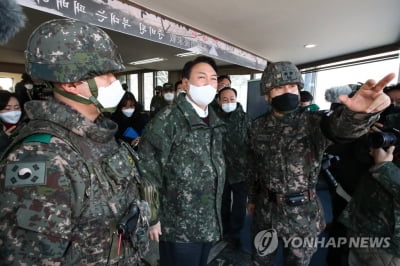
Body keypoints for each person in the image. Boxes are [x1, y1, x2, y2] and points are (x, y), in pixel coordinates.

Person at [0, 19, 151, 265]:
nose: (115, 81)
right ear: (71, 83)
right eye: (105, 74)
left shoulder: (98, 134)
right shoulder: (42, 156)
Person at [246, 61, 394, 266]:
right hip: (266, 210)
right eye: (279, 87)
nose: (287, 91)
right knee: (260, 260)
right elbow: (254, 166)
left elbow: (340, 129)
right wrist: (252, 198)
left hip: (303, 214)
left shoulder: (313, 121)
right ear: (266, 95)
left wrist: (358, 115)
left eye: (292, 87)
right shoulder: (257, 127)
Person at [138, 56, 226, 266]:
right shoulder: (168, 120)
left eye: (213, 79)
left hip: (208, 220)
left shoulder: (215, 121)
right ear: (186, 83)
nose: (209, 84)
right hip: (178, 225)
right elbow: (148, 171)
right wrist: (153, 219)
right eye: (201, 77)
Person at [339, 108, 400, 266]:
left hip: (391, 244)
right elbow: (360, 157)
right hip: (362, 225)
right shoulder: (392, 119)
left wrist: (384, 167)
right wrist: (368, 140)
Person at [215, 87, 252, 249]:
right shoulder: (213, 119)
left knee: (238, 206)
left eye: (232, 99)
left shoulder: (245, 119)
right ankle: (223, 231)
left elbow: (253, 145)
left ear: (236, 99)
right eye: (225, 99)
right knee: (221, 204)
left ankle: (235, 235)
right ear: (219, 101)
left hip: (241, 172)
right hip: (221, 171)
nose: (228, 102)